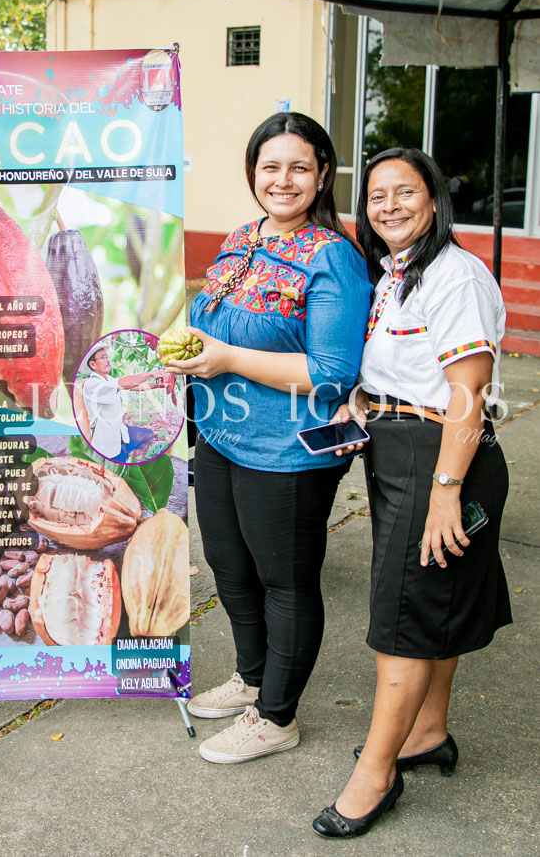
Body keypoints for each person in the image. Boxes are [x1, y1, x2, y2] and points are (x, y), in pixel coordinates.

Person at [311, 148, 511, 838]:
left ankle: (376, 771)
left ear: (433, 201)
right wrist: (366, 403)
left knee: (401, 614)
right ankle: (426, 734)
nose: (388, 205)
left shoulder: (454, 275)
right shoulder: (397, 274)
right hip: (403, 447)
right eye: (375, 196)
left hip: (442, 460)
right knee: (434, 597)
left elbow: (468, 393)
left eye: (404, 192)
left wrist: (445, 492)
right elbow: (409, 366)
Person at [165, 112, 372, 764]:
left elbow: (332, 375)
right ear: (252, 172)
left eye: (298, 167)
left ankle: (276, 715)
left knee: (284, 580)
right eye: (269, 166)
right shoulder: (240, 237)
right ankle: (251, 678)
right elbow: (213, 325)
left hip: (287, 452)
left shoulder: (331, 256)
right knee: (231, 569)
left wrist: (225, 358)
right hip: (220, 438)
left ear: (321, 175)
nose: (282, 180)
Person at [82, 344, 165, 462]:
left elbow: (135, 386)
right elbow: (123, 384)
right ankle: (127, 460)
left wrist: (156, 385)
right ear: (93, 364)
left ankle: (134, 458)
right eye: (103, 357)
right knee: (117, 470)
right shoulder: (92, 384)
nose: (108, 360)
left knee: (148, 434)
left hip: (120, 433)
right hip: (105, 445)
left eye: (107, 357)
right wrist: (151, 374)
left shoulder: (109, 380)